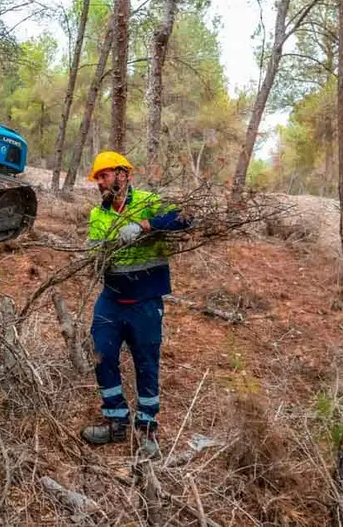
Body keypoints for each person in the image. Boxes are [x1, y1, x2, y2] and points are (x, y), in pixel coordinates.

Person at [80, 151, 192, 458]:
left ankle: (147, 430)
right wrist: (92, 254)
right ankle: (116, 421)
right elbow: (95, 253)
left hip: (144, 302)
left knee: (146, 363)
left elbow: (185, 218)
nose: (100, 182)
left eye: (104, 175)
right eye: (97, 178)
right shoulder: (98, 214)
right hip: (111, 300)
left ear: (123, 174)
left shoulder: (149, 200)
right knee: (101, 356)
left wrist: (144, 225)